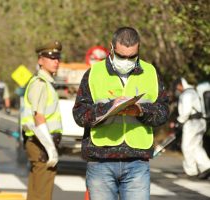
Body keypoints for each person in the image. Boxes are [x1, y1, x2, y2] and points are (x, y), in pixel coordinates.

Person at [72, 27, 169, 200]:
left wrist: (140, 110)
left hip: (137, 162)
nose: (126, 60)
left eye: (132, 56)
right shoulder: (94, 74)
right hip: (101, 161)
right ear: (112, 48)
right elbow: (79, 114)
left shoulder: (150, 73)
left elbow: (163, 112)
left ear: (138, 49)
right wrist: (108, 108)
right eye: (122, 56)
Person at [21, 41, 62, 200]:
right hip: (41, 142)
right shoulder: (40, 83)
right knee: (42, 190)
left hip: (40, 141)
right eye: (51, 58)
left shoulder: (45, 83)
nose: (56, 61)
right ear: (40, 60)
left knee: (37, 187)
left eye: (57, 58)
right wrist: (50, 148)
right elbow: (39, 116)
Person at [175, 77, 210, 179]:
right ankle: (206, 166)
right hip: (201, 122)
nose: (177, 88)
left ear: (181, 84)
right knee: (196, 146)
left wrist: (179, 122)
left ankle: (191, 171)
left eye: (177, 85)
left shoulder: (186, 94)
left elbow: (185, 112)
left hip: (192, 123)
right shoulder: (194, 92)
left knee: (186, 146)